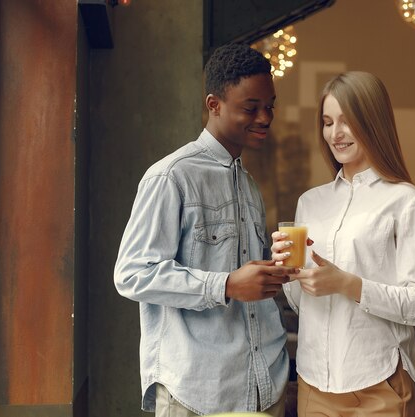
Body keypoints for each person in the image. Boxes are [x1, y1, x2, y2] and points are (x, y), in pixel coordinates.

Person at [114, 43, 297, 417]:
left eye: (270, 106)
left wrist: (277, 270)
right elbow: (132, 274)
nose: (265, 117)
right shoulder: (172, 177)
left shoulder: (247, 184)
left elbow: (249, 279)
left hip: (266, 387)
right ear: (214, 104)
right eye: (251, 107)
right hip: (199, 393)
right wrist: (227, 284)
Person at [271, 71, 415, 417]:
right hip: (313, 382)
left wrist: (348, 284)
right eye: (328, 122)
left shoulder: (407, 203)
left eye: (347, 122)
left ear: (373, 123)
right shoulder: (310, 203)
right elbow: (303, 303)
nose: (335, 133)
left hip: (380, 383)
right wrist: (288, 273)